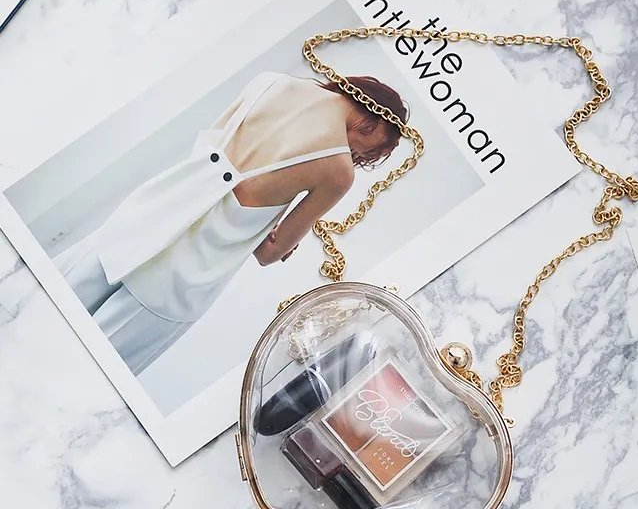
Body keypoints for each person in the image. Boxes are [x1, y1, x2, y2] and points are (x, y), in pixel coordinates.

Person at [60, 71, 409, 375]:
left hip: (136, 226)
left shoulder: (270, 83)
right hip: (181, 281)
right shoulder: (338, 171)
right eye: (367, 149)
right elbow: (269, 253)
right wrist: (277, 230)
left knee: (42, 313)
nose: (356, 155)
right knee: (84, 376)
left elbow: (210, 158)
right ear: (375, 121)